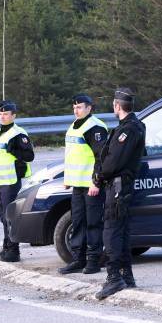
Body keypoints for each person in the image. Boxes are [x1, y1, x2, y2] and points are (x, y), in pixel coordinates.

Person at [94, 88, 146, 300]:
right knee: (121, 230)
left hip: (117, 185)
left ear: (117, 106)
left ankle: (114, 276)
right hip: (121, 185)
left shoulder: (129, 129)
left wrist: (98, 175)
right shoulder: (134, 126)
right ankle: (126, 274)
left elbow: (113, 161)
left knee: (112, 230)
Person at [59, 94, 108, 275]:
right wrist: (67, 179)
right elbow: (73, 155)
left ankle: (94, 261)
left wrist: (96, 181)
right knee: (78, 222)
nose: (76, 110)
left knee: (93, 223)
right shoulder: (75, 125)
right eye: (74, 107)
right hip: (77, 185)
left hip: (91, 185)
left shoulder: (94, 127)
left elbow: (101, 157)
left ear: (89, 108)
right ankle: (78, 259)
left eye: (79, 107)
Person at [0, 100, 34, 262]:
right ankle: (7, 247)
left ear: (13, 115)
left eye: (6, 114)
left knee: (10, 216)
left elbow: (29, 156)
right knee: (3, 217)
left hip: (10, 181)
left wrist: (14, 150)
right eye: (1, 114)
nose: (3, 116)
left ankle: (13, 251)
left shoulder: (17, 133)